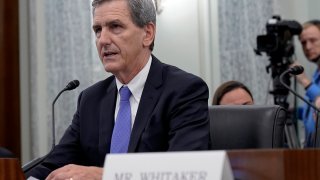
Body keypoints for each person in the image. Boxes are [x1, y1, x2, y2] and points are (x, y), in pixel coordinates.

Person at [25, 0, 209, 179]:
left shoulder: (184, 91)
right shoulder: (90, 99)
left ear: (148, 33)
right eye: (98, 30)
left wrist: (105, 175)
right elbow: (55, 164)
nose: (103, 40)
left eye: (115, 26)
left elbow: (185, 168)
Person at [293, 20, 320, 147]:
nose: (308, 47)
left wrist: (304, 81)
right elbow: (311, 110)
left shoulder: (310, 81)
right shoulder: (316, 74)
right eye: (303, 43)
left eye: (313, 40)